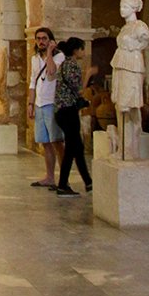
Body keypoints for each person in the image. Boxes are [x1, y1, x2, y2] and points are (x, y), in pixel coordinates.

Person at [53, 37, 95, 198]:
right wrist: (88, 75)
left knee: (77, 148)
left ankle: (88, 182)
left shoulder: (66, 64)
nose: (84, 52)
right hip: (67, 111)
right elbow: (78, 90)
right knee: (72, 149)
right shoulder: (71, 65)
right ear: (76, 50)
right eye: (83, 49)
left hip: (64, 111)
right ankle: (63, 185)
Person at [110, 0, 149, 160]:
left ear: (133, 8)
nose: (122, 10)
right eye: (121, 6)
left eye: (125, 7)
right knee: (120, 106)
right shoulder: (125, 28)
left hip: (132, 67)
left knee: (128, 106)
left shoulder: (139, 27)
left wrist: (132, 47)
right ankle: (123, 150)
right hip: (120, 64)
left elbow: (144, 41)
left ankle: (130, 150)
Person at [27, 27, 66, 189]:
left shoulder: (59, 56)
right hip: (40, 104)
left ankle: (64, 179)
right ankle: (50, 177)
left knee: (57, 141)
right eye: (38, 38)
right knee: (45, 142)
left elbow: (51, 72)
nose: (41, 41)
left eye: (44, 38)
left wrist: (50, 52)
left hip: (52, 103)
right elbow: (32, 82)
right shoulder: (35, 58)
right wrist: (30, 104)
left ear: (50, 40)